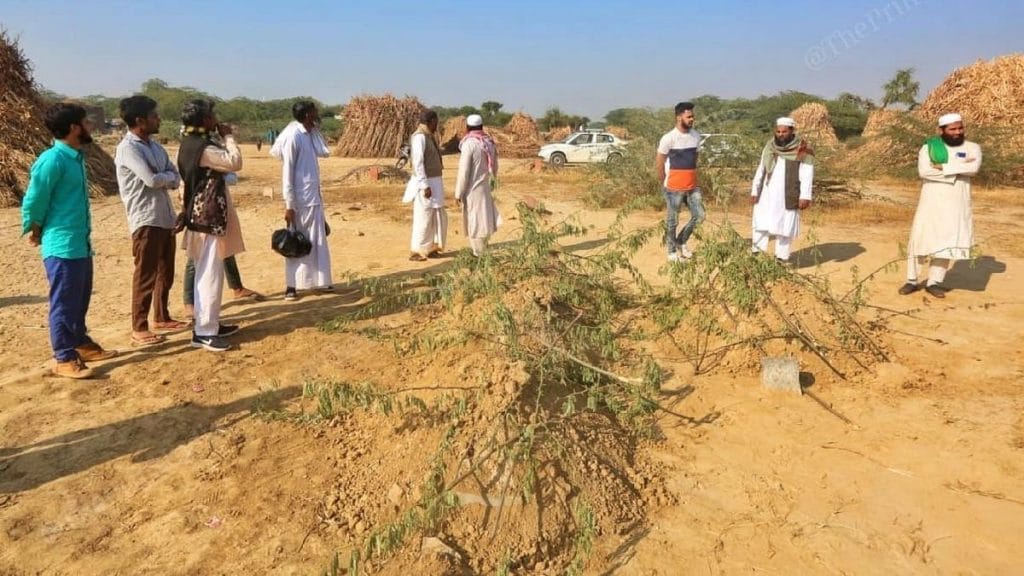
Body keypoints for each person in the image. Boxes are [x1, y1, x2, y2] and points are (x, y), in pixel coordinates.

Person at [21, 102, 117, 378]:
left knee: (80, 298)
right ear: (74, 127)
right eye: (85, 123)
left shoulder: (75, 157)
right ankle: (63, 357)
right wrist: (34, 227)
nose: (89, 126)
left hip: (79, 243)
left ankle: (80, 343)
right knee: (64, 302)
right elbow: (35, 198)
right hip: (61, 245)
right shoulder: (52, 160)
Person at [114, 95, 187, 347]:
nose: (159, 119)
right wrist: (165, 176)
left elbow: (173, 177)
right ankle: (139, 326)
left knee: (165, 272)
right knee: (145, 274)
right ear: (140, 120)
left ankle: (162, 316)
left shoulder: (155, 147)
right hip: (145, 219)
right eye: (154, 116)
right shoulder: (128, 149)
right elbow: (151, 180)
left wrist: (163, 176)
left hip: (164, 217)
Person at [177, 99, 244, 351]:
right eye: (212, 114)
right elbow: (234, 162)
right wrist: (228, 137)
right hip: (207, 216)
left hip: (201, 215)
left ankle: (209, 323)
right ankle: (204, 331)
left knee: (207, 270)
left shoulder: (189, 144)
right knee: (209, 273)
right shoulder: (203, 149)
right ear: (205, 120)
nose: (215, 118)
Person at [899, 113, 982, 299]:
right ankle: (911, 280)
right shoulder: (929, 148)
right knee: (920, 239)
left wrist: (943, 166)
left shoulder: (972, 148)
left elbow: (973, 169)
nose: (957, 132)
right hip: (931, 202)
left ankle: (934, 282)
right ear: (942, 130)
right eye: (952, 129)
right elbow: (925, 172)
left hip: (957, 204)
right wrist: (959, 168)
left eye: (960, 128)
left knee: (947, 242)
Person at [270, 100, 333, 300]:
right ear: (307, 115)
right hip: (299, 201)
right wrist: (289, 205)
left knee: (316, 241)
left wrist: (315, 130)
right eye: (314, 112)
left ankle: (320, 281)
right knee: (295, 242)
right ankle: (291, 286)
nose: (317, 115)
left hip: (313, 197)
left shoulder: (308, 134)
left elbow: (324, 152)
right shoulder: (293, 136)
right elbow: (287, 172)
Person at [750, 117, 815, 264]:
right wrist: (755, 190)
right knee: (760, 222)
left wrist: (805, 196)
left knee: (785, 226)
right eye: (778, 131)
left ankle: (781, 259)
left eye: (784, 132)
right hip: (766, 193)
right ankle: (757, 256)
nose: (780, 134)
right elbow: (761, 168)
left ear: (792, 131)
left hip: (789, 194)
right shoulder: (770, 146)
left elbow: (807, 173)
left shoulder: (803, 149)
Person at [655, 101, 705, 262]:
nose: (692, 119)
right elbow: (660, 162)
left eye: (693, 116)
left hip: (692, 186)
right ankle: (671, 252)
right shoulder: (668, 138)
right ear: (679, 117)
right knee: (672, 220)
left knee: (700, 216)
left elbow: (695, 157)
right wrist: (664, 183)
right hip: (674, 187)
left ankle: (681, 241)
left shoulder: (696, 136)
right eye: (688, 116)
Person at [402, 110, 448, 261]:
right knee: (423, 217)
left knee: (433, 217)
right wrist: (424, 185)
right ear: (431, 121)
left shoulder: (428, 136)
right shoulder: (419, 137)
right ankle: (417, 250)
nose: (437, 125)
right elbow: (418, 163)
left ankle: (430, 248)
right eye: (436, 122)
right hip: (426, 184)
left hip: (435, 182)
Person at [455, 114, 500, 256]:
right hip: (485, 187)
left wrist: (458, 193)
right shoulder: (489, 142)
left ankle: (478, 253)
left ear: (467, 128)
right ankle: (483, 249)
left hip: (472, 189)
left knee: (475, 221)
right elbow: (495, 166)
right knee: (485, 219)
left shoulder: (469, 144)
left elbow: (464, 172)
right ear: (482, 126)